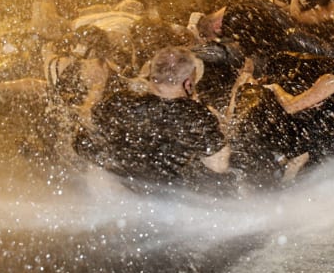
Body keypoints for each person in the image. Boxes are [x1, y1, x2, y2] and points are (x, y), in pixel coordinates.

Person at [81, 47, 231, 189]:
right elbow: (219, 165)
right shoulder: (195, 116)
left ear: (151, 74)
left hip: (116, 192)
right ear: (188, 83)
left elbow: (84, 136)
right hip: (167, 199)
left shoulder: (120, 102)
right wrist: (219, 127)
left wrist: (97, 87)